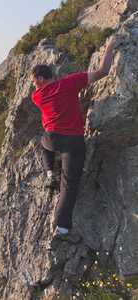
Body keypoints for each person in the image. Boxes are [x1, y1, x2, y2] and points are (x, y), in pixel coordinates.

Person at [30, 37, 123, 244]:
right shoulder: (71, 82)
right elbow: (103, 72)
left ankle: (49, 173)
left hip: (52, 139)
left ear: (42, 80)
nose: (34, 87)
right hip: (72, 141)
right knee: (69, 185)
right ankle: (62, 229)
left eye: (34, 82)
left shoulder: (37, 97)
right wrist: (109, 47)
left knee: (43, 142)